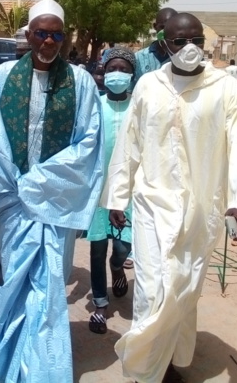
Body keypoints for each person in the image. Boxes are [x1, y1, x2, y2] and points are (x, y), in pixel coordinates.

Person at [102, 13, 237, 383]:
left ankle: (170, 360)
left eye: (195, 41)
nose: (188, 48)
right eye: (178, 41)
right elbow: (130, 143)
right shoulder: (148, 85)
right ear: (164, 43)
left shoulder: (224, 88)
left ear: (203, 44)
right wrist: (117, 195)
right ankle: (146, 370)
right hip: (151, 204)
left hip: (201, 208)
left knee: (185, 287)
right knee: (150, 287)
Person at [0, 0, 104, 382]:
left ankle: (43, 368)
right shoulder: (4, 77)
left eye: (56, 34)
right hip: (13, 204)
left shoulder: (81, 82)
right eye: (42, 33)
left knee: (52, 283)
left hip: (55, 203)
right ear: (29, 34)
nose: (49, 41)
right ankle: (5, 354)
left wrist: (37, 182)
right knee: (14, 281)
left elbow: (89, 145)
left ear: (64, 37)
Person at [86, 48, 136, 335]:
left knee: (122, 246)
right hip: (98, 186)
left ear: (131, 74)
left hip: (129, 189)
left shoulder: (139, 106)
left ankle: (117, 268)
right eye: (111, 69)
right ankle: (100, 304)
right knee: (96, 247)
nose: (116, 74)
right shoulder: (95, 105)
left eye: (123, 69)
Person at [134, 7, 178, 81]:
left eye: (171, 27)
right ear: (155, 26)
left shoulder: (183, 57)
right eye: (162, 27)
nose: (166, 31)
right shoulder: (138, 57)